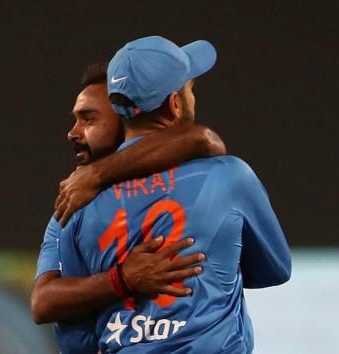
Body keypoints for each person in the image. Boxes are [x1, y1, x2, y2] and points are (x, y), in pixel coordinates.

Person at [58, 36, 291, 353]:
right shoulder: (229, 177)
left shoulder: (78, 200)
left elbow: (75, 333)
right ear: (175, 103)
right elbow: (275, 269)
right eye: (190, 89)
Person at [31, 63, 228, 352]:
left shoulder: (186, 193)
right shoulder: (73, 205)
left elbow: (203, 139)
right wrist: (122, 279)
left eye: (88, 119)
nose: (72, 133)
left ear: (124, 122)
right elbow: (42, 302)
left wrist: (98, 174)